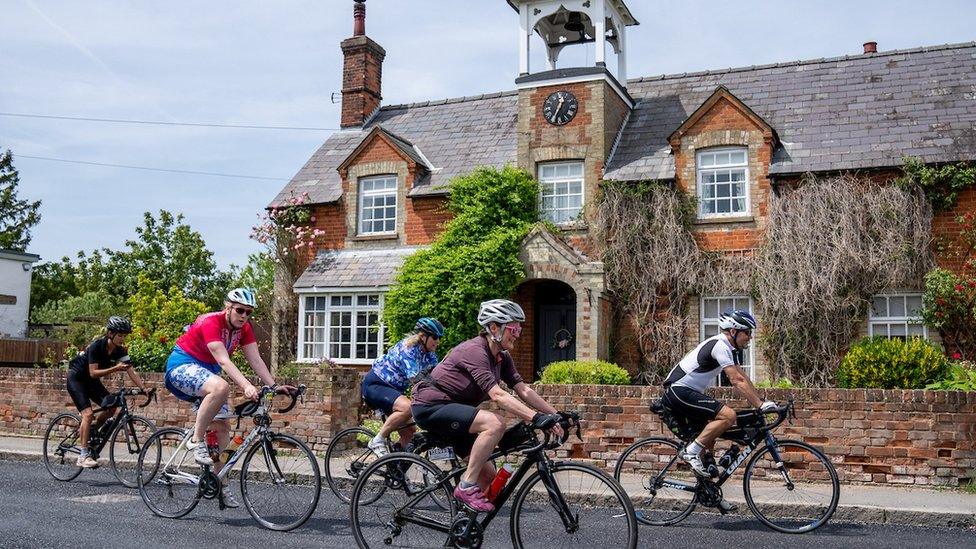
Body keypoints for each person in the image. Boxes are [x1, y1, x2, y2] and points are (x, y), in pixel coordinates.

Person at [411, 299, 565, 513]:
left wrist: (557, 415)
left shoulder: (502, 357)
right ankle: (465, 486)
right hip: (430, 406)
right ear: (494, 328)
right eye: (513, 328)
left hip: (457, 413)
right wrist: (536, 418)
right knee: (494, 423)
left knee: (490, 481)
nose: (517, 333)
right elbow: (498, 395)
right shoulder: (475, 351)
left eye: (519, 328)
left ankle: (462, 528)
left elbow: (523, 390)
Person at [163, 288, 291, 508]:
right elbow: (223, 361)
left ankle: (220, 482)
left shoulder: (245, 329)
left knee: (223, 427)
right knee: (221, 386)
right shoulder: (209, 321)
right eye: (240, 310)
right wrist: (247, 386)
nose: (244, 316)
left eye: (248, 312)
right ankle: (196, 440)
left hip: (207, 375)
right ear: (228, 307)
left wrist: (274, 385)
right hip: (182, 366)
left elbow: (256, 360)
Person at [662, 309, 776, 478]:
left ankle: (709, 493)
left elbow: (743, 377)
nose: (750, 337)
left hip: (688, 391)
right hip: (678, 390)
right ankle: (691, 451)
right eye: (747, 332)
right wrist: (759, 405)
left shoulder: (731, 349)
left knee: (709, 436)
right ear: (733, 331)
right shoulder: (720, 345)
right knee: (728, 416)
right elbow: (736, 380)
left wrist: (761, 402)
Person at [66, 316, 149, 468]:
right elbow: (93, 372)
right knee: (88, 414)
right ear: (110, 333)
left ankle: (92, 430)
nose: (122, 339)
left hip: (91, 382)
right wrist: (115, 368)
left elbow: (131, 370)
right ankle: (83, 456)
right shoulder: (97, 346)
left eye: (125, 335)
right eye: (120, 335)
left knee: (111, 407)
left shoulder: (120, 351)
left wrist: (144, 389)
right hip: (77, 379)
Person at [361, 317, 444, 457]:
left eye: (439, 338)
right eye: (435, 337)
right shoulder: (408, 349)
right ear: (423, 336)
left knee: (410, 435)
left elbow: (436, 376)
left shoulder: (430, 355)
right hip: (376, 384)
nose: (438, 341)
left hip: (392, 391)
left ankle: (395, 466)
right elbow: (416, 379)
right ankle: (378, 440)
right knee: (407, 407)